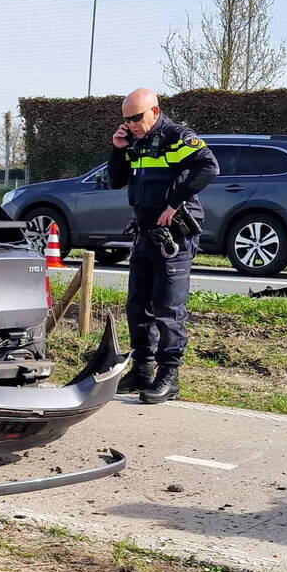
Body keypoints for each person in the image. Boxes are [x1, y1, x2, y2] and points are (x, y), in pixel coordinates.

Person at [108, 88, 219, 403]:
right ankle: (143, 368)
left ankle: (170, 376)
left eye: (136, 118)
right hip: (145, 232)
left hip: (174, 235)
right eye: (126, 119)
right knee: (137, 305)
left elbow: (209, 166)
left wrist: (174, 201)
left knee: (168, 308)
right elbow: (116, 181)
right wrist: (118, 149)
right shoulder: (137, 142)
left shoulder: (176, 136)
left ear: (155, 112)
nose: (130, 124)